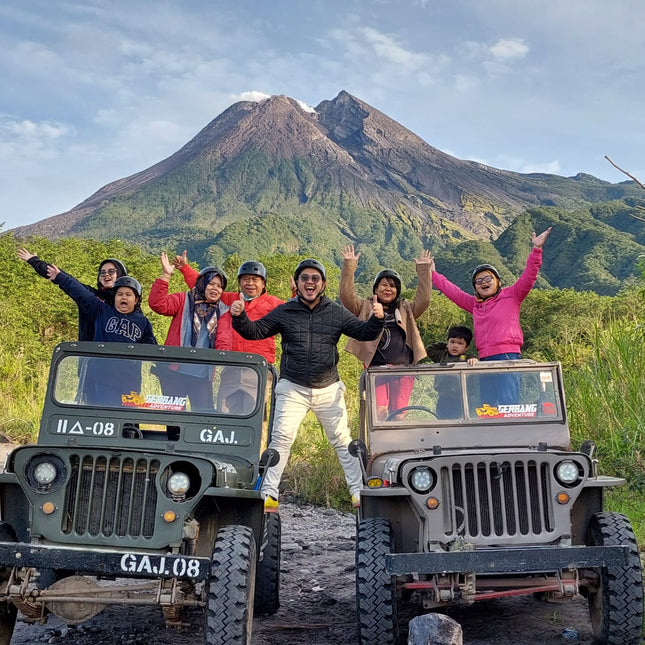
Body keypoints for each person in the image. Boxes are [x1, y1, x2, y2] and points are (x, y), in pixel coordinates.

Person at [230, 258, 385, 510]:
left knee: (343, 442)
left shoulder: (335, 311)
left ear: (323, 284)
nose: (309, 282)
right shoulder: (286, 311)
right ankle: (269, 493)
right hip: (293, 387)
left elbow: (364, 332)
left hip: (328, 388)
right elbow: (254, 331)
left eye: (315, 278)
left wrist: (378, 319)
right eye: (304, 278)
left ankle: (358, 493)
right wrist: (239, 317)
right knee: (281, 441)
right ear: (298, 283)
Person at [431, 227, 552, 405]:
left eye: (488, 279)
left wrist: (537, 250)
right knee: (487, 406)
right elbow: (453, 292)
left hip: (507, 357)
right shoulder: (475, 304)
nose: (483, 283)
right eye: (478, 281)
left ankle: (511, 433)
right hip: (484, 359)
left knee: (508, 403)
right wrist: (432, 274)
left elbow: (529, 276)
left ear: (497, 282)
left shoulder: (512, 295)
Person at [172, 252, 284, 414]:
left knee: (258, 418)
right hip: (232, 366)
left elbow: (292, 313)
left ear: (263, 283)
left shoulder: (272, 303)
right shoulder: (232, 299)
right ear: (239, 282)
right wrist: (184, 268)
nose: (250, 284)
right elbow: (206, 287)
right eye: (245, 279)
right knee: (225, 414)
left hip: (259, 370)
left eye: (255, 280)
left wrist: (295, 295)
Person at [339, 245, 432, 420]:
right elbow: (346, 296)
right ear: (375, 289)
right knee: (379, 413)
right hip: (376, 369)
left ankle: (398, 446)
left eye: (392, 286)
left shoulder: (406, 308)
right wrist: (349, 265)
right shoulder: (365, 306)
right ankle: (380, 447)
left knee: (399, 415)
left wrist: (424, 270)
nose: (388, 289)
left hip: (403, 370)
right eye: (383, 285)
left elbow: (424, 299)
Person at [47, 266, 157, 406]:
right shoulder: (102, 311)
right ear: (114, 297)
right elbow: (81, 293)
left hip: (130, 381)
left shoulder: (143, 322)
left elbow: (151, 347)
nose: (123, 297)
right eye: (119, 294)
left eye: (128, 295)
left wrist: (160, 365)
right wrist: (60, 277)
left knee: (128, 423)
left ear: (136, 300)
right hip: (102, 377)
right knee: (104, 415)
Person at [148, 253, 232, 410]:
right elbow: (157, 304)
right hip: (173, 371)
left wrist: (223, 355)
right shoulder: (184, 300)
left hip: (202, 376)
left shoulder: (223, 311)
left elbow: (224, 341)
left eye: (220, 286)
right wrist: (166, 275)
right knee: (174, 420)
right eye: (211, 284)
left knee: (203, 418)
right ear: (202, 283)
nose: (216, 288)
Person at [18, 248, 130, 341]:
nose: (106, 275)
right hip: (89, 356)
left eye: (111, 272)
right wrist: (34, 261)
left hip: (120, 359)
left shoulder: (130, 301)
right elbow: (64, 278)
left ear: (120, 274)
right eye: (102, 272)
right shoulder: (91, 295)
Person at [424, 326, 477, 419]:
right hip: (444, 397)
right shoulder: (441, 355)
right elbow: (429, 349)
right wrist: (445, 345)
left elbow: (475, 362)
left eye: (460, 343)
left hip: (462, 398)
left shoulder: (468, 358)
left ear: (466, 347)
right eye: (452, 342)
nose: (455, 346)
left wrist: (473, 359)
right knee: (442, 421)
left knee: (462, 422)